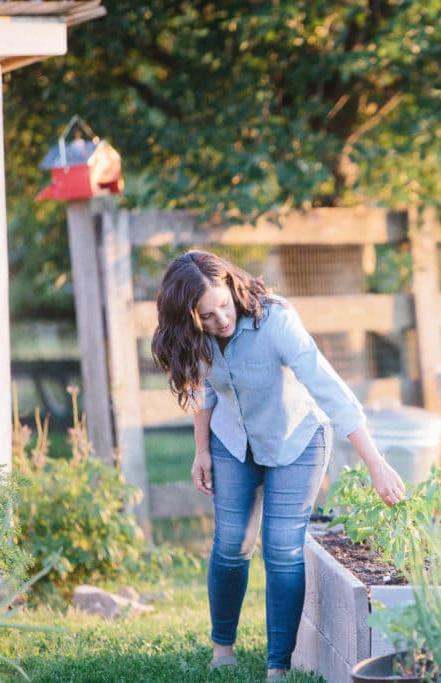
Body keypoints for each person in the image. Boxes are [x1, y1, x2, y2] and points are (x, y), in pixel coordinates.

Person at [151, 250, 405, 681]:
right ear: (189, 318)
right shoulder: (191, 337)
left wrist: (376, 464)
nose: (221, 321)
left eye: (224, 306)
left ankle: (277, 668)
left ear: (232, 287)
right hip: (233, 441)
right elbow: (202, 391)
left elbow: (328, 388)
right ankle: (222, 651)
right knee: (232, 543)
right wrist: (201, 450)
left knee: (282, 549)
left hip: (297, 441)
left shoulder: (276, 321)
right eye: (207, 316)